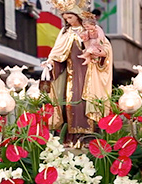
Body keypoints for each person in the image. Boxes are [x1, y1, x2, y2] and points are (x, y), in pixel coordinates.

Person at [41, 5, 113, 145]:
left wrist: (101, 53)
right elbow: (57, 54)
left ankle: (88, 137)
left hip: (89, 74)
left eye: (70, 17)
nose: (68, 21)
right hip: (70, 75)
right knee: (70, 103)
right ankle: (71, 137)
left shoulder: (91, 30)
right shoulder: (65, 32)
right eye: (66, 18)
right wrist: (50, 64)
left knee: (86, 102)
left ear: (78, 16)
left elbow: (105, 47)